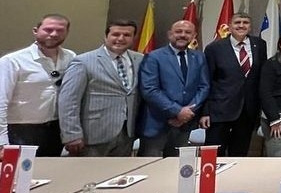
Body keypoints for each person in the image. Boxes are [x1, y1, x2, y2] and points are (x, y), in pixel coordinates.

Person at [58, 18, 142, 156]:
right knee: (88, 171)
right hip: (93, 135)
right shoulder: (83, 61)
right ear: (106, 36)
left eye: (127, 35)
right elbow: (68, 100)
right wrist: (71, 134)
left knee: (121, 170)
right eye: (116, 34)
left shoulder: (140, 59)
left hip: (126, 134)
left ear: (134, 38)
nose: (121, 38)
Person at [0, 13, 75, 154]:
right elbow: (1, 101)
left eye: (60, 30)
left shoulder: (71, 57)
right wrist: (1, 141)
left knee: (52, 168)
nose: (54, 34)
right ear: (35, 31)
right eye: (48, 29)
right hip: (20, 130)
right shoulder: (12, 61)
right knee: (21, 168)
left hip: (55, 129)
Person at [138, 19, 210, 157]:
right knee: (150, 165)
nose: (183, 35)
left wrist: (187, 113)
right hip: (157, 124)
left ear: (194, 36)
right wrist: (177, 111)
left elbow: (204, 87)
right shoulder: (154, 57)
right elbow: (149, 89)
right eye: (178, 31)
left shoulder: (199, 57)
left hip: (185, 124)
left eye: (187, 32)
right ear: (170, 34)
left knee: (176, 165)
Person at [202, 13, 267, 156]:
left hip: (248, 111)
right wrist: (205, 112)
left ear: (250, 27)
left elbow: (261, 77)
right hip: (220, 111)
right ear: (230, 26)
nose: (241, 25)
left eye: (245, 22)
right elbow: (206, 81)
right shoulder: (214, 48)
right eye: (237, 22)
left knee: (239, 154)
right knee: (213, 156)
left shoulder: (260, 45)